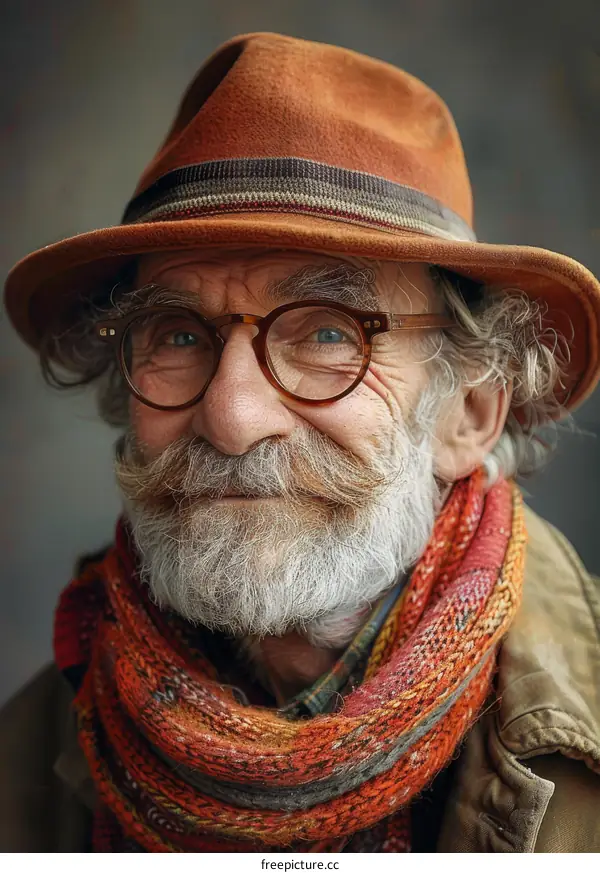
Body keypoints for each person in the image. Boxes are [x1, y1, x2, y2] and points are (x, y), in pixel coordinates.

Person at [1, 32, 599, 854]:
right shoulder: (22, 758)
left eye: (326, 331)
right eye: (176, 334)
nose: (233, 417)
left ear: (470, 412)